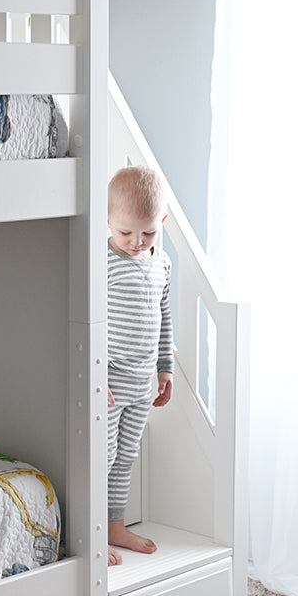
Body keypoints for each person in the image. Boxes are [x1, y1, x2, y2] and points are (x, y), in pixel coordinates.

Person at [106, 166, 173, 565]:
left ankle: (115, 523)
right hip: (109, 379)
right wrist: (94, 371)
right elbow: (83, 321)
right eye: (125, 232)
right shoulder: (101, 262)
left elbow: (163, 317)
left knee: (128, 453)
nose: (136, 242)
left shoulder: (161, 263)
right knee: (105, 454)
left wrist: (165, 367)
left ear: (160, 222)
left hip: (141, 381)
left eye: (147, 233)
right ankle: (93, 529)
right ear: (109, 221)